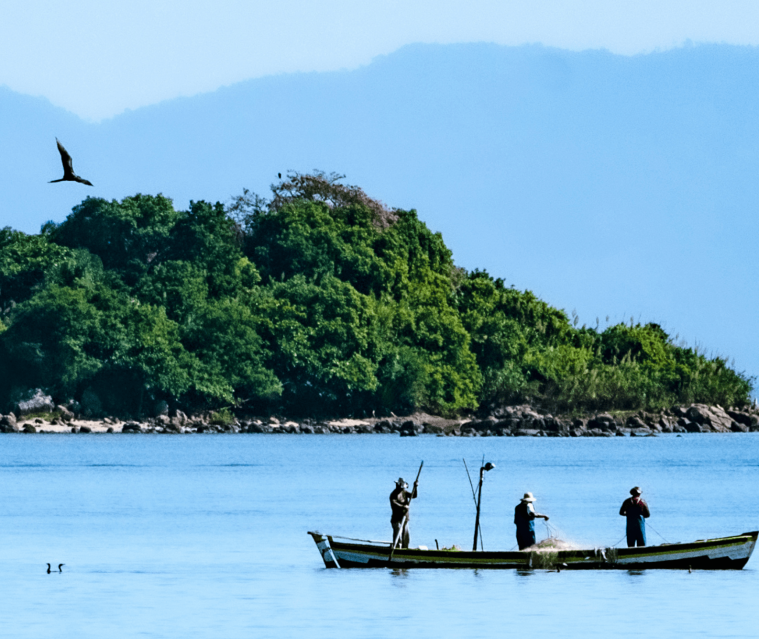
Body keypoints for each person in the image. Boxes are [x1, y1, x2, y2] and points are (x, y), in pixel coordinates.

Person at [390, 476, 418, 549]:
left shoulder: (404, 492)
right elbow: (394, 503)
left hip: (405, 518)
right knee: (398, 537)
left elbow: (414, 495)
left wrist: (415, 487)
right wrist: (403, 506)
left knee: (406, 536)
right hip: (396, 520)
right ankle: (396, 549)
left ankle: (405, 549)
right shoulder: (393, 494)